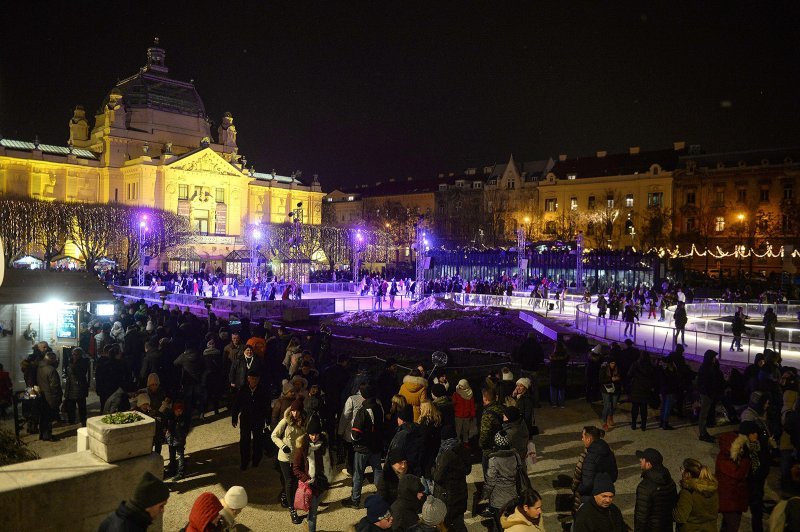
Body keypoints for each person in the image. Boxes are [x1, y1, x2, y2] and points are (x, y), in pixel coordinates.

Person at [344, 384, 384, 509]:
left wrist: (354, 441)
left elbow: (355, 433)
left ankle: (355, 500)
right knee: (377, 470)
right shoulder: (379, 407)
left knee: (358, 474)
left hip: (362, 448)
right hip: (376, 446)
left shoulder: (363, 411)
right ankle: (382, 494)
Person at [293, 414, 333, 532]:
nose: (314, 437)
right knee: (314, 513)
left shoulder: (324, 445)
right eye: (311, 434)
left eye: (316, 434)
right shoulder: (302, 447)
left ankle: (309, 521)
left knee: (313, 510)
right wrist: (306, 478)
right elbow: (296, 468)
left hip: (322, 483)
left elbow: (330, 461)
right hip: (311, 485)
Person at [271, 397, 307, 523]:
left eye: (297, 411)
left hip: (297, 458)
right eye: (293, 411)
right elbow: (274, 435)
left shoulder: (304, 422)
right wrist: (283, 446)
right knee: (289, 481)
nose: (295, 413)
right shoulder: (285, 421)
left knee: (297, 482)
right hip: (285, 458)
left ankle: (286, 495)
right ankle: (292, 510)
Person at [99, 471, 170, 531]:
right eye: (161, 506)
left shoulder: (117, 517)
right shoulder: (128, 528)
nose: (162, 510)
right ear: (149, 504)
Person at [432, 424, 471, 532]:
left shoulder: (445, 454)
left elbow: (437, 477)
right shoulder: (463, 448)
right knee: (459, 522)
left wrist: (433, 469)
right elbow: (468, 470)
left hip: (447, 495)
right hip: (461, 492)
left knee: (447, 524)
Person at [231, 368, 270, 472]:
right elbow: (236, 404)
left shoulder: (263, 390)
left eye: (256, 379)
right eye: (252, 378)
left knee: (258, 441)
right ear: (248, 379)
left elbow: (266, 406)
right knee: (244, 441)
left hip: (258, 420)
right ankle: (244, 461)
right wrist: (234, 418)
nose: (254, 381)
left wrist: (268, 419)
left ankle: (256, 460)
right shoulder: (243, 389)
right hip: (246, 419)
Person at [633, 448, 677, 532]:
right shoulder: (670, 482)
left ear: (648, 464)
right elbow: (673, 505)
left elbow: (641, 517)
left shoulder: (645, 487)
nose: (640, 460)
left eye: (642, 459)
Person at [715, 431, 750, 532]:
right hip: (730, 502)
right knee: (732, 527)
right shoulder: (724, 461)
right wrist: (746, 460)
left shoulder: (727, 458)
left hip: (732, 501)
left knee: (727, 526)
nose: (741, 449)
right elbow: (739, 474)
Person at [482, 430, 521, 521]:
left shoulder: (494, 460)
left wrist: (485, 494)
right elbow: (520, 471)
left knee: (500, 523)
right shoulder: (515, 455)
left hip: (498, 499)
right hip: (513, 495)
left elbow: (490, 480)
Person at [673, 458, 719, 532]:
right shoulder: (712, 489)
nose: (681, 472)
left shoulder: (688, 492)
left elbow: (680, 517)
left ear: (688, 474)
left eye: (682, 470)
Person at [577, 425, 618, 505]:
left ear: (588, 439)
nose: (582, 439)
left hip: (591, 497)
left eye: (583, 437)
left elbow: (587, 484)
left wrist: (579, 489)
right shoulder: (609, 451)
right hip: (605, 496)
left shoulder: (590, 457)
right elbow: (614, 475)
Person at [697, 349, 724, 443]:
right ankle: (702, 433)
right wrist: (709, 393)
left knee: (705, 414)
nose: (715, 359)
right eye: (714, 357)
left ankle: (704, 432)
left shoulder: (709, 367)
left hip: (708, 394)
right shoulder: (705, 368)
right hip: (706, 394)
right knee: (703, 414)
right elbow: (704, 383)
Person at [479, 386, 505, 477]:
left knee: (488, 474)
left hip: (490, 449)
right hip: (502, 446)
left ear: (485, 398)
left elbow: (485, 433)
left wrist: (482, 445)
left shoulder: (487, 414)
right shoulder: (501, 408)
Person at [37, 352, 62, 442]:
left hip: (42, 395)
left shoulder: (39, 367)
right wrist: (58, 397)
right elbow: (55, 386)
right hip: (50, 396)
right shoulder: (51, 370)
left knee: (43, 416)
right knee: (48, 417)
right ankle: (47, 435)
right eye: (55, 359)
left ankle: (42, 434)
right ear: (51, 359)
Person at [164, 401, 192, 481]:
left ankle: (180, 473)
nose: (179, 412)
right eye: (177, 410)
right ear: (174, 410)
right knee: (172, 456)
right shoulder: (170, 417)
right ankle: (172, 470)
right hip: (171, 440)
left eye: (180, 410)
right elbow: (167, 427)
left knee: (180, 456)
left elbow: (186, 429)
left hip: (179, 440)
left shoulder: (184, 418)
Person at [628, 351, 655, 431]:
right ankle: (643, 426)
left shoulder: (635, 364)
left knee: (635, 408)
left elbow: (629, 374)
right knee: (644, 408)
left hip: (636, 388)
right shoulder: (650, 366)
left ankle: (633, 424)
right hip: (645, 389)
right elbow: (653, 376)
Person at [63, 347, 90, 427]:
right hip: (71, 387)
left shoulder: (83, 362)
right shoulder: (71, 361)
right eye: (73, 354)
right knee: (71, 405)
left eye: (76, 354)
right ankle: (72, 419)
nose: (74, 356)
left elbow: (78, 373)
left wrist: (72, 365)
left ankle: (83, 420)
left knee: (81, 405)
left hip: (79, 386)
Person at [599, 356, 621, 431]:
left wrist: (618, 378)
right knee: (607, 405)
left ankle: (610, 417)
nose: (613, 365)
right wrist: (611, 379)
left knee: (614, 405)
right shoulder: (604, 368)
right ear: (609, 363)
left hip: (615, 389)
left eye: (614, 363)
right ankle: (604, 422)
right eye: (612, 363)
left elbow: (620, 377)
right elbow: (601, 380)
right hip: (606, 389)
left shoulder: (617, 368)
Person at [453, 379, 476, 445]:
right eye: (459, 385)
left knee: (466, 431)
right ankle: (457, 444)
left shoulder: (470, 394)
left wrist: (472, 414)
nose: (460, 387)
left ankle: (466, 442)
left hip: (467, 415)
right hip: (458, 415)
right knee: (458, 431)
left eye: (462, 386)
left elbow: (472, 405)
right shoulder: (456, 393)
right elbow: (453, 404)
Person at [548, 343, 568, 408]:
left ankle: (554, 404)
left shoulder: (552, 356)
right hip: (562, 373)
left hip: (554, 374)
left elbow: (550, 365)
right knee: (561, 389)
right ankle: (561, 404)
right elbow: (568, 357)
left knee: (553, 388)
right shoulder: (565, 357)